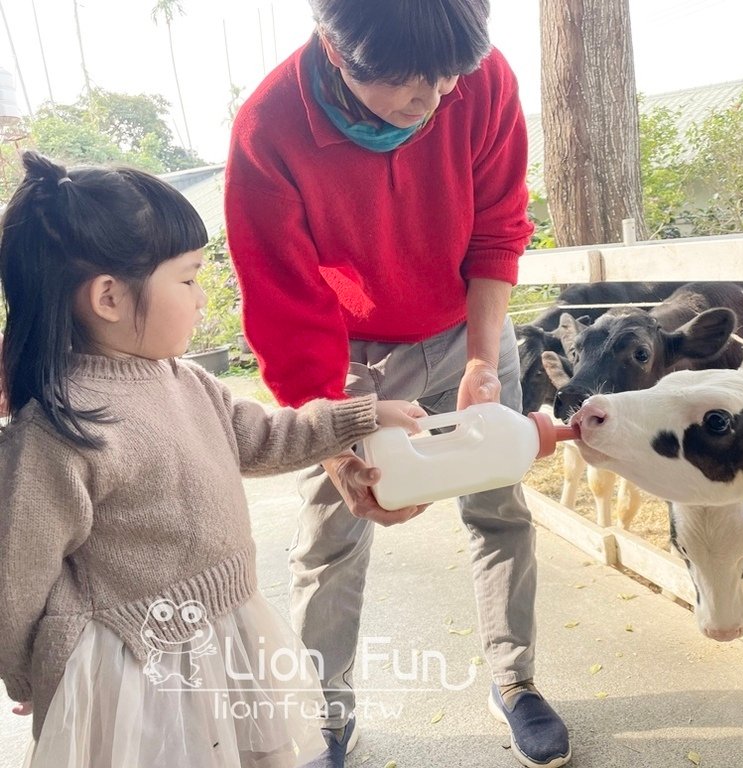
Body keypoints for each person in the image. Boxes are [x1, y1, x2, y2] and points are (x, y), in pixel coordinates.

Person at [224, 1, 572, 767]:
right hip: (350, 354)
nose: (436, 97)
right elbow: (284, 305)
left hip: (467, 325)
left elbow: (498, 228)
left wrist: (484, 359)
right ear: (337, 49)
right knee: (331, 534)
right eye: (411, 83)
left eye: (449, 75)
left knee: (499, 504)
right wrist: (331, 443)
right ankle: (323, 713)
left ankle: (515, 681)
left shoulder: (477, 79)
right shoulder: (269, 129)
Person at [0, 151, 425, 768]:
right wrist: (35, 676)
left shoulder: (184, 382)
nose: (204, 298)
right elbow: (16, 579)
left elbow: (262, 437)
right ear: (110, 298)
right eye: (189, 278)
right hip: (133, 670)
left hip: (225, 636)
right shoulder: (60, 431)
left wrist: (360, 415)